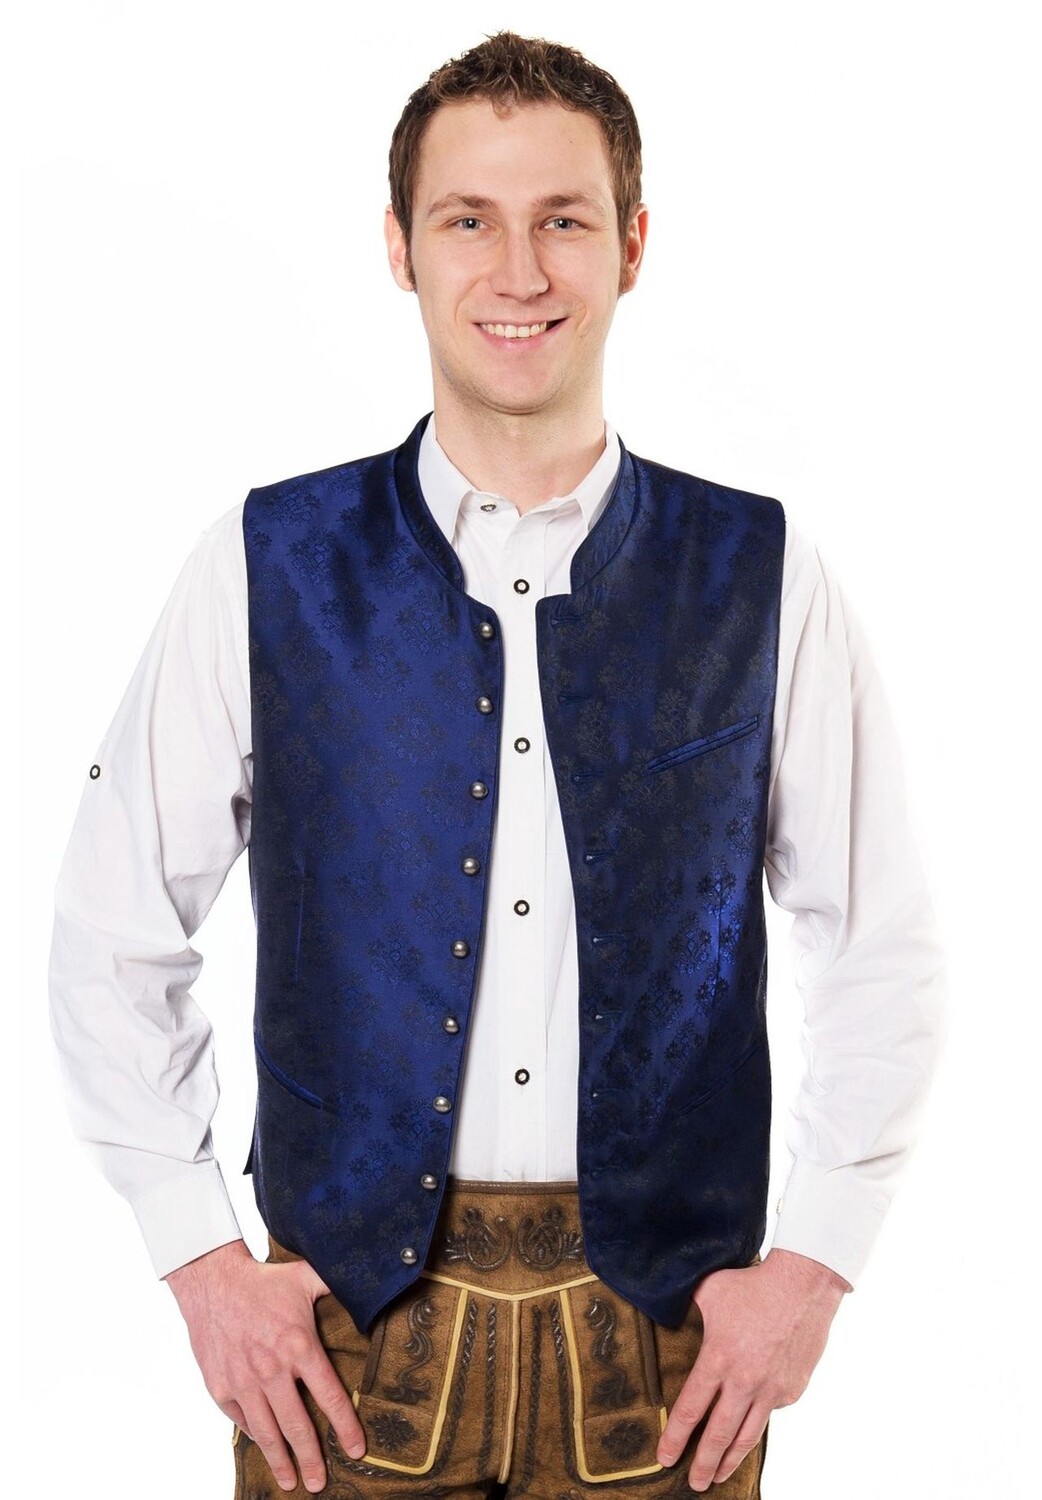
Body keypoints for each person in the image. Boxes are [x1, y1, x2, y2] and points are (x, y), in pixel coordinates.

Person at [48, 30, 945, 1500]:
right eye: (468, 218)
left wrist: (815, 1267)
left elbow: (880, 944)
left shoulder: (761, 575)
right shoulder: (268, 565)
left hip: (668, 1354)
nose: (517, 271)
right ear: (399, 246)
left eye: (563, 220)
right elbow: (111, 924)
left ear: (632, 246)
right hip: (341, 1348)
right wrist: (197, 1253)